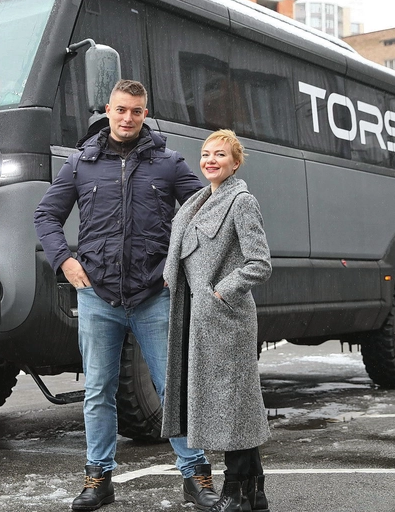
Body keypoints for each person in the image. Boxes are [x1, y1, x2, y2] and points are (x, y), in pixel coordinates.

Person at [34, 80, 219, 511]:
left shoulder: (168, 163)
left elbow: (205, 215)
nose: (128, 118)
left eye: (136, 111)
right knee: (99, 389)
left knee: (172, 387)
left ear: (144, 113)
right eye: (121, 109)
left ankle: (197, 477)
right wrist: (64, 260)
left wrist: (182, 267)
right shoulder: (80, 164)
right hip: (98, 295)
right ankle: (98, 480)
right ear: (108, 109)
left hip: (155, 295)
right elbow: (46, 215)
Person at [161, 129, 273, 512]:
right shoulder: (197, 202)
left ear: (235, 163)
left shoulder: (240, 200)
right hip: (199, 319)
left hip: (226, 319)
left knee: (233, 406)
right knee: (229, 406)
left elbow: (259, 263)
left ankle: (236, 492)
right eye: (206, 154)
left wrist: (220, 292)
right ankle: (252, 496)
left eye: (220, 155)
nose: (210, 160)